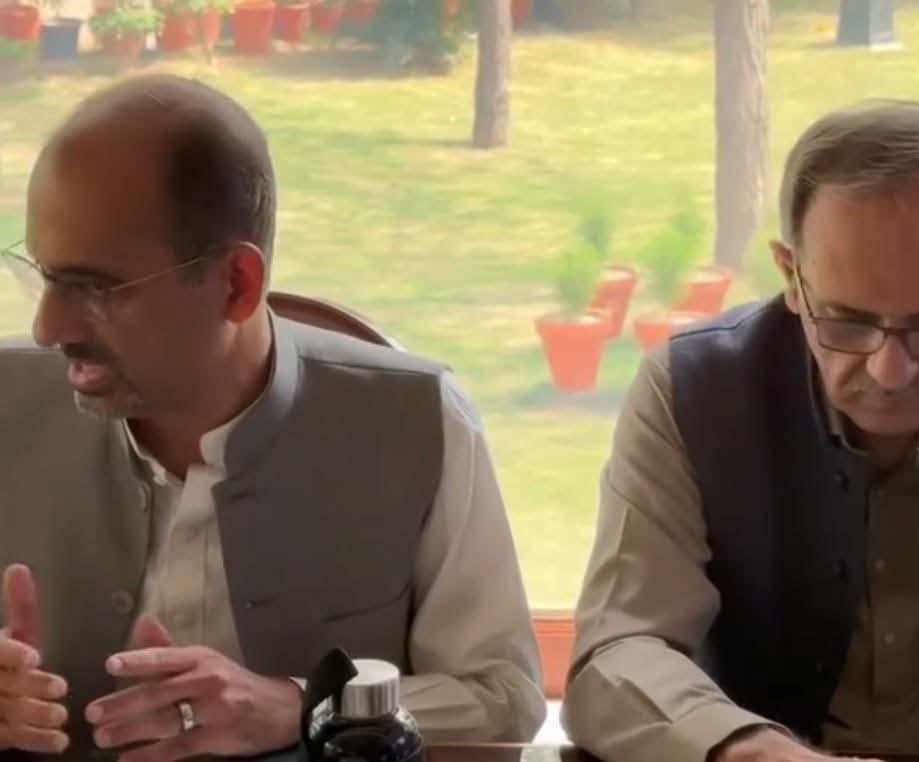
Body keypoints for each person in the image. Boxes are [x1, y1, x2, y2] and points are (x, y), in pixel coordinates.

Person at [0, 73, 545, 759]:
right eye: (44, 276)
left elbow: (502, 697)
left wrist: (301, 706)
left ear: (236, 284)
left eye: (95, 288)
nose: (48, 327)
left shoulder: (422, 424)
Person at [563, 99, 919, 762]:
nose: (891, 371)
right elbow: (617, 654)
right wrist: (748, 751)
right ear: (789, 274)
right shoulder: (690, 389)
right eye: (847, 321)